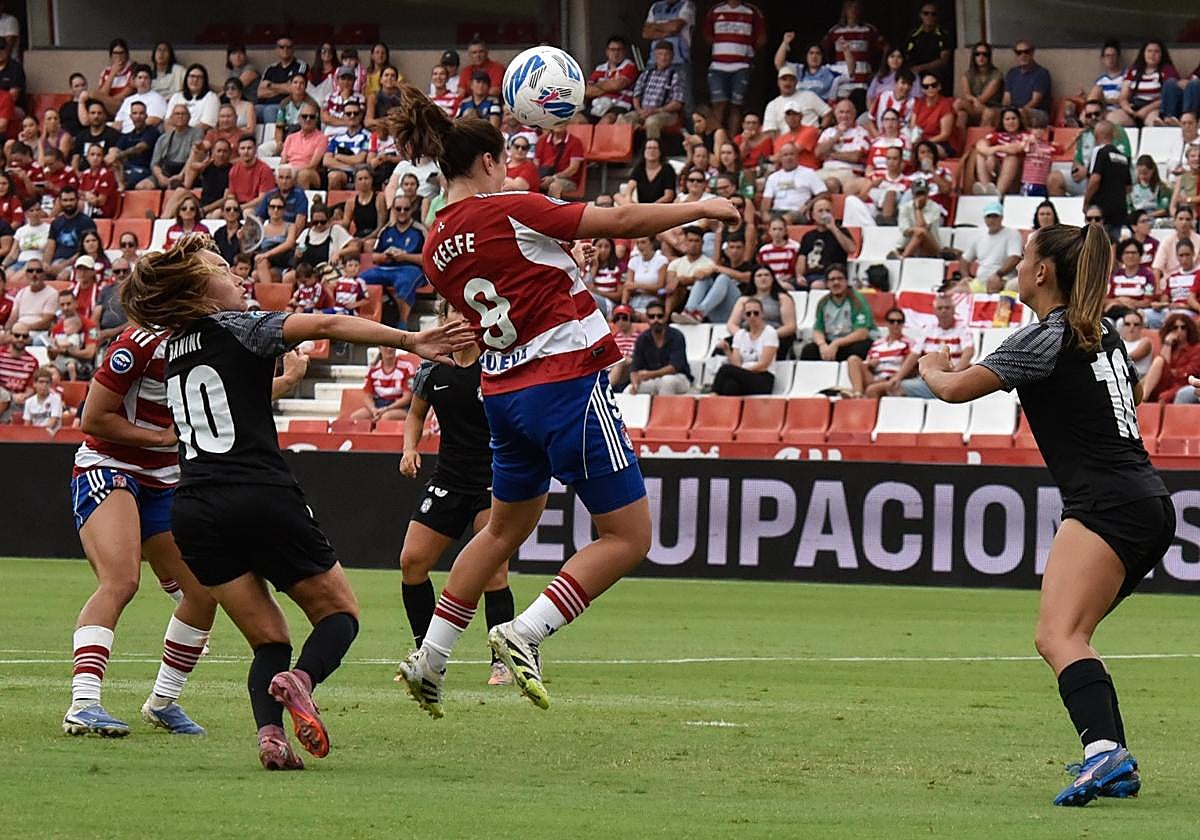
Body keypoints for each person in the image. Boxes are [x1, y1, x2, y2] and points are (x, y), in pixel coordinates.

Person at [388, 85, 737, 716]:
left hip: (502, 393)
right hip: (566, 383)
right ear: (490, 162)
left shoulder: (434, 241)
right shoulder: (510, 207)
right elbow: (624, 222)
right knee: (627, 536)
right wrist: (702, 206)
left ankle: (430, 658)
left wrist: (559, 260)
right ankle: (526, 632)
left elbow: (509, 283)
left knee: (501, 530)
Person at [119, 233, 472, 769]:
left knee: (269, 639)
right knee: (340, 615)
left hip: (193, 507)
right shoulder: (241, 325)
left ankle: (270, 736)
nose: (238, 276)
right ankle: (301, 681)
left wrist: (280, 384)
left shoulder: (173, 349)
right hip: (259, 494)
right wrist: (411, 339)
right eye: (221, 268)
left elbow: (226, 408)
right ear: (200, 288)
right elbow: (327, 324)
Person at [919, 222, 1173, 806]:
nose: (1014, 263)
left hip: (1107, 503)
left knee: (1058, 635)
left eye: (1024, 256)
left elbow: (954, 391)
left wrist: (932, 363)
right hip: (1146, 501)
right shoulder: (1099, 330)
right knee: (1071, 635)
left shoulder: (1046, 337)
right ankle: (1110, 756)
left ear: (1043, 273)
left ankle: (1105, 754)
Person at [62, 315, 224, 737]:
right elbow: (93, 418)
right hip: (110, 466)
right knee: (120, 581)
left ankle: (162, 702)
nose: (233, 280)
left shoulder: (211, 338)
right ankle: (83, 703)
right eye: (220, 272)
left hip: (165, 480)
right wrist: (161, 438)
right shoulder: (139, 343)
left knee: (204, 593)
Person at [398, 300, 515, 686]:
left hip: (493, 481)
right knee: (412, 563)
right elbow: (416, 413)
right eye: (455, 314)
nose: (463, 321)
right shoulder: (433, 366)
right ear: (444, 319)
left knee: (494, 572)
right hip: (448, 478)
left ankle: (503, 662)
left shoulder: (497, 363)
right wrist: (410, 448)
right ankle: (425, 654)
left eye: (470, 315)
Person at [702, 0, 766, 136]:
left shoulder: (752, 11)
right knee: (718, 104)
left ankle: (731, 143)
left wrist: (746, 50)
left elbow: (761, 38)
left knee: (736, 105)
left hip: (741, 66)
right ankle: (717, 142)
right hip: (718, 65)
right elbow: (707, 35)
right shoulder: (715, 10)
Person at [798, 263, 873, 360]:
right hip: (831, 342)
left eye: (840, 278)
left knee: (862, 348)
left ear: (846, 281)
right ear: (827, 283)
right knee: (809, 351)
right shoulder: (823, 302)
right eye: (832, 279)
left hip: (850, 342)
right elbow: (818, 330)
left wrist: (837, 343)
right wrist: (822, 345)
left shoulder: (857, 300)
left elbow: (862, 333)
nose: (836, 282)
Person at [724, 264, 797, 357]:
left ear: (772, 279)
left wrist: (766, 335)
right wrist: (744, 337)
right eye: (759, 275)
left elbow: (790, 326)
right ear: (753, 279)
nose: (763, 278)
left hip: (774, 337)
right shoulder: (743, 300)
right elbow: (731, 324)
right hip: (747, 336)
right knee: (723, 346)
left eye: (766, 275)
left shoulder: (783, 298)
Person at [619, 41, 685, 139]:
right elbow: (636, 96)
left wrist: (656, 111)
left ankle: (653, 150)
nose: (663, 58)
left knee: (652, 122)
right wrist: (639, 110)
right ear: (655, 56)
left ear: (672, 57)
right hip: (643, 111)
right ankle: (630, 150)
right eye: (660, 54)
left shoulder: (675, 75)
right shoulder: (646, 74)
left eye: (666, 54)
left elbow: (677, 103)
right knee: (623, 119)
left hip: (666, 113)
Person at [711, 299, 776, 395]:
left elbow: (763, 365)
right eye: (749, 314)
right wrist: (727, 350)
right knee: (730, 386)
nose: (752, 316)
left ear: (762, 314)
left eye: (756, 313)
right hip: (744, 376)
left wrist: (741, 371)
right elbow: (737, 364)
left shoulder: (770, 333)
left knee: (726, 369)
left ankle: (713, 394)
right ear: (744, 316)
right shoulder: (740, 334)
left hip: (763, 377)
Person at [641, 0, 696, 113]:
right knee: (648, 99)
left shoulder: (686, 5)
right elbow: (646, 33)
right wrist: (666, 32)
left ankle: (690, 130)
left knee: (685, 101)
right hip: (654, 62)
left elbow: (676, 26)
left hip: (679, 61)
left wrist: (655, 27)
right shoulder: (656, 6)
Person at [847, 307, 914, 398]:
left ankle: (857, 396)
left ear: (903, 324)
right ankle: (857, 394)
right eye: (892, 321)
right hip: (875, 377)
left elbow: (909, 368)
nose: (895, 324)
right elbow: (866, 365)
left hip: (892, 380)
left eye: (899, 321)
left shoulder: (909, 343)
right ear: (887, 323)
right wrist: (870, 364)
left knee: (871, 389)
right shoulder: (877, 344)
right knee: (853, 360)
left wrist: (895, 378)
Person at [630, 299, 691, 394]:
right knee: (628, 391)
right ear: (647, 318)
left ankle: (666, 409)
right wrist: (634, 384)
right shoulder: (642, 339)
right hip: (654, 380)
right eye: (651, 316)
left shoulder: (676, 336)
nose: (656, 320)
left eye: (660, 316)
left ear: (665, 317)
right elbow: (635, 368)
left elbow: (674, 367)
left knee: (667, 381)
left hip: (679, 378)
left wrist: (650, 374)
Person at [1084, 120, 1132, 243]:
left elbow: (1095, 179)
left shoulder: (1100, 151)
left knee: (1099, 247)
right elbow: (1128, 187)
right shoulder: (1123, 157)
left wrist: (1086, 201)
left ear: (1097, 135)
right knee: (1114, 246)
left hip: (1101, 210)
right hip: (1120, 209)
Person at [1111, 40, 1176, 128]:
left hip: (1154, 108)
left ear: (1162, 54)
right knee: (1112, 119)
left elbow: (1168, 97)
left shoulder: (1167, 70)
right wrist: (1127, 108)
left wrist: (1146, 110)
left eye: (1156, 51)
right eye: (1149, 51)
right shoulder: (1134, 71)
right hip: (1134, 107)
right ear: (1143, 53)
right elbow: (1123, 96)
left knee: (1154, 123)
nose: (1152, 54)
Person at [961, 202, 1022, 293]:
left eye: (995, 216)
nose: (992, 220)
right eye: (989, 216)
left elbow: (1014, 258)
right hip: (980, 282)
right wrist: (965, 276)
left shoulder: (1012, 234)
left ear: (1001, 217)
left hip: (1004, 279)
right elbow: (964, 260)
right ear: (984, 219)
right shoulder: (979, 237)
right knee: (955, 292)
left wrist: (998, 275)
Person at [761, 142, 828, 223]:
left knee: (785, 219)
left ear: (797, 156)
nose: (789, 158)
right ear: (780, 158)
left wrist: (808, 205)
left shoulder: (808, 173)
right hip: (776, 212)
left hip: (798, 212)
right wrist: (765, 215)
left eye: (792, 154)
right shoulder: (773, 177)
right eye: (785, 155)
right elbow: (766, 201)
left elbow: (824, 194)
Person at [1141, 312, 1200, 403]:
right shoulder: (1170, 348)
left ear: (1189, 329)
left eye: (1183, 327)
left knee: (1165, 395)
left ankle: (1143, 397)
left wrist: (1175, 372)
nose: (1179, 331)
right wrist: (1168, 342)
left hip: (1183, 383)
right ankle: (1143, 397)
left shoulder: (1196, 348)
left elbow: (1191, 371)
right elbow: (1164, 363)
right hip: (1167, 382)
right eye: (1175, 328)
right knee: (1158, 361)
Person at [797, 194, 855, 286]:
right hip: (810, 276)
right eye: (820, 211)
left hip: (833, 277)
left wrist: (833, 228)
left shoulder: (841, 231)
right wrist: (799, 276)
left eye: (827, 211)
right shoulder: (808, 236)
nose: (824, 214)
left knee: (817, 285)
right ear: (813, 216)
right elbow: (802, 258)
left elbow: (851, 249)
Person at [973, 107, 1026, 196]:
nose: (1011, 122)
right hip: (996, 169)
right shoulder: (997, 135)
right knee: (980, 156)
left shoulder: (1026, 136)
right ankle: (985, 189)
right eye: (1007, 119)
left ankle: (998, 194)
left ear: (1019, 120)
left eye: (1014, 118)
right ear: (1002, 122)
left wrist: (995, 149)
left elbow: (1015, 149)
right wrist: (990, 155)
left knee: (1011, 157)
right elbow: (980, 145)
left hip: (1018, 174)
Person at [585, 36, 639, 123]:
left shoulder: (630, 66)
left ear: (624, 51)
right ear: (607, 51)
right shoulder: (600, 68)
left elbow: (617, 85)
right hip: (598, 104)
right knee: (577, 120)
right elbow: (587, 92)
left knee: (606, 121)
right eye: (612, 50)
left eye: (619, 50)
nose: (616, 53)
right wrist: (610, 86)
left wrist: (597, 85)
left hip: (620, 105)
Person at [257, 36, 308, 124]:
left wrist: (270, 86)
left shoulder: (301, 65)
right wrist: (284, 87)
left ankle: (273, 137)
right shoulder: (270, 68)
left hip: (288, 105)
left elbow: (295, 89)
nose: (285, 50)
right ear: (277, 49)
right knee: (253, 109)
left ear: (293, 49)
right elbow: (260, 93)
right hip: (265, 105)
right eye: (281, 47)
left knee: (269, 110)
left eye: (288, 47)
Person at [903, 3, 952, 90]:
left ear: (937, 17)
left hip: (936, 75)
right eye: (926, 13)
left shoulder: (943, 35)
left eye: (933, 14)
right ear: (921, 15)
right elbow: (906, 55)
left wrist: (920, 68)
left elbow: (944, 60)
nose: (929, 16)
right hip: (914, 76)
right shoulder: (913, 35)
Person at [956, 41, 1002, 133]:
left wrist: (975, 101)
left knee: (988, 113)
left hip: (992, 107)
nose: (981, 57)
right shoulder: (968, 74)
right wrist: (974, 100)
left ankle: (977, 142)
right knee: (961, 113)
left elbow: (984, 98)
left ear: (989, 57)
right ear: (973, 57)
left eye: (985, 54)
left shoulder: (996, 74)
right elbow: (967, 94)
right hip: (974, 105)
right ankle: (960, 145)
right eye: (977, 54)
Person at [893, 180, 942, 258]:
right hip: (909, 244)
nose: (920, 197)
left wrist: (917, 209)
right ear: (912, 194)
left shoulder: (934, 207)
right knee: (919, 232)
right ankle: (905, 254)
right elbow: (906, 231)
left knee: (921, 233)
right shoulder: (905, 208)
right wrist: (916, 230)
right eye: (918, 194)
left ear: (927, 193)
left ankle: (902, 257)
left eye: (923, 193)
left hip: (931, 247)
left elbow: (923, 227)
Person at [1003, 41, 1052, 118]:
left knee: (1020, 114)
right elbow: (1006, 99)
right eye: (1019, 52)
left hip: (1036, 112)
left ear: (1032, 53)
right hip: (1015, 112)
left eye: (1026, 52)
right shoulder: (1012, 73)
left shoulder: (1041, 73)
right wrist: (1005, 111)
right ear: (1015, 55)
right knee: (992, 113)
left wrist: (1017, 113)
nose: (1023, 55)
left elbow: (1036, 101)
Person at [1151, 206, 1200, 282]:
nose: (1184, 222)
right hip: (1171, 282)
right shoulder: (1167, 241)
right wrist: (1157, 288)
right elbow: (1157, 268)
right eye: (1180, 219)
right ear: (1175, 221)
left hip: (1195, 281)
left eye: (1187, 219)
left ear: (1192, 222)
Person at [113, 64, 167, 133]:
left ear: (151, 81)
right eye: (140, 77)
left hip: (143, 135)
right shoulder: (128, 100)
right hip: (123, 136)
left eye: (146, 78)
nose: (142, 81)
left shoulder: (158, 99)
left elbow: (152, 122)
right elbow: (117, 122)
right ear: (134, 80)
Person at [166, 64, 220, 131]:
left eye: (199, 77)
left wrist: (185, 135)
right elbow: (167, 122)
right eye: (192, 76)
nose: (195, 80)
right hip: (175, 136)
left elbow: (205, 125)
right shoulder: (176, 96)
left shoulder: (211, 97)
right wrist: (176, 135)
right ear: (186, 78)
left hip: (198, 137)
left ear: (204, 80)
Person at [23, 366, 61, 431]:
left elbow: (52, 422)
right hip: (34, 436)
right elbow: (27, 424)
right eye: (41, 382)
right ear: (34, 384)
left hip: (52, 435)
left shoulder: (56, 398)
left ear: (50, 384)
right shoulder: (29, 402)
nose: (44, 385)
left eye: (47, 382)